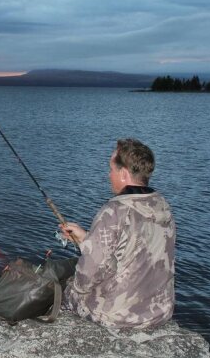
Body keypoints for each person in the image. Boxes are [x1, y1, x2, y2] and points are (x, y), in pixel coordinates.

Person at [59, 138, 175, 328]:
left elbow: (88, 274)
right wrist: (86, 239)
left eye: (111, 169)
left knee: (64, 284)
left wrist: (73, 288)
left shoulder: (114, 210)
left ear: (123, 173)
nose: (108, 175)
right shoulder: (162, 205)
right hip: (159, 312)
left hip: (118, 316)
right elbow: (130, 252)